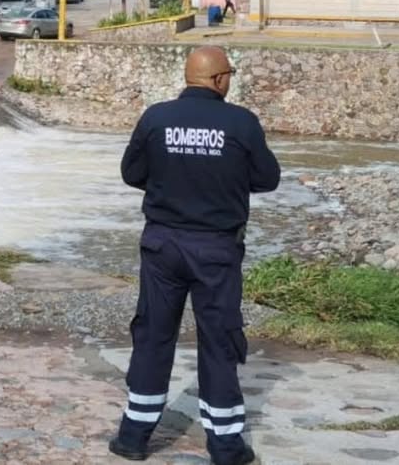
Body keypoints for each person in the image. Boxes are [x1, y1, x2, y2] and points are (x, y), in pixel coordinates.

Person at [109, 46, 281, 465]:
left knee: (153, 335)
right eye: (229, 75)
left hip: (162, 245)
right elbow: (267, 179)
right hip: (216, 250)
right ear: (219, 79)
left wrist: (173, 180)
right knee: (219, 340)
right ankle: (225, 446)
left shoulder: (156, 118)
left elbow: (132, 173)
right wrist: (222, 179)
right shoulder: (241, 122)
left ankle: (133, 437)